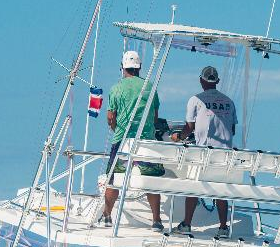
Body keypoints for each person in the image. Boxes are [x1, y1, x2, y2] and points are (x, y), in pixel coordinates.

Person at [101, 49, 164, 231]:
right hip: (146, 143)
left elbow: (110, 117)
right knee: (151, 181)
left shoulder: (116, 88)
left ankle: (106, 216)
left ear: (122, 67)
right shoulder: (150, 86)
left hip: (122, 141)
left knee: (113, 179)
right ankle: (156, 221)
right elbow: (155, 116)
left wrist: (117, 129)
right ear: (139, 68)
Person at [173, 65, 236, 236]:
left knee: (193, 187)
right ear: (217, 81)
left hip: (205, 153)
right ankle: (223, 227)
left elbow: (189, 127)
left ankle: (187, 224)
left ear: (201, 80)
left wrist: (178, 137)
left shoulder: (195, 100)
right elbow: (232, 129)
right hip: (225, 154)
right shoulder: (229, 102)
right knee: (221, 190)